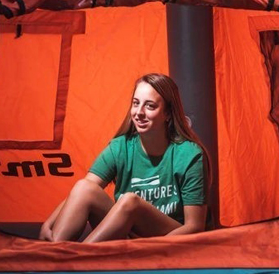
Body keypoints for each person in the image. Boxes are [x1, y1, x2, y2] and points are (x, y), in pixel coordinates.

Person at [39, 73, 210, 242]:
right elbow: (81, 192)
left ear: (167, 114)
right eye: (136, 104)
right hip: (124, 233)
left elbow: (194, 226)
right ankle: (55, 255)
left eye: (150, 106)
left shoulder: (189, 154)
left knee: (130, 201)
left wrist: (145, 248)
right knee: (85, 186)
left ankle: (82, 257)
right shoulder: (121, 146)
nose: (139, 112)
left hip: (168, 239)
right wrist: (48, 223)